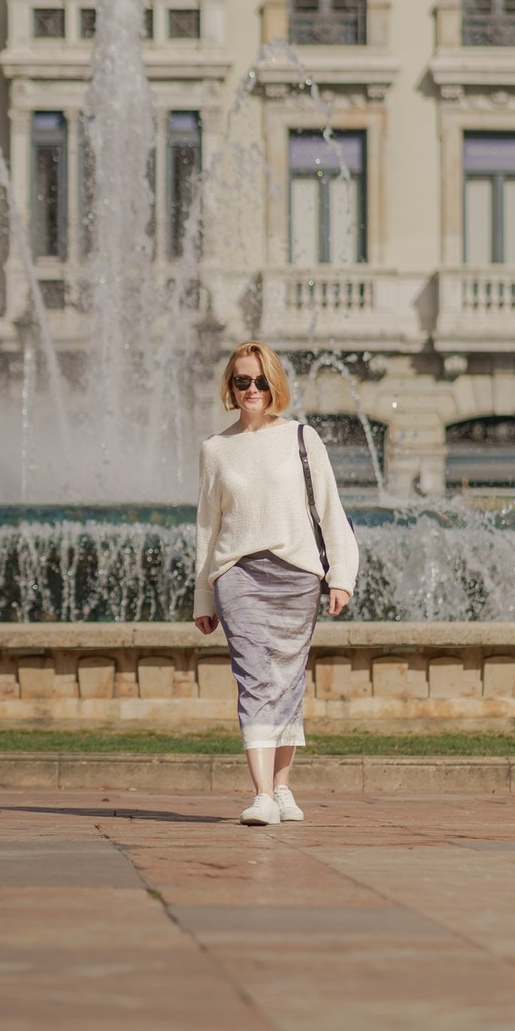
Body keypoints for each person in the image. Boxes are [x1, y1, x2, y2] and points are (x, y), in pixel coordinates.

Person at [193, 340, 359, 826]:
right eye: (243, 380)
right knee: (254, 677)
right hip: (238, 574)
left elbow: (330, 511)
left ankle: (282, 787)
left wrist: (341, 577)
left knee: (287, 679)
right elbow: (207, 527)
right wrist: (203, 595)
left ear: (275, 384)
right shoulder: (215, 449)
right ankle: (262, 794)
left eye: (261, 380)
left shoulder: (303, 438)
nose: (253, 389)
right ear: (230, 386)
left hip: (298, 575)